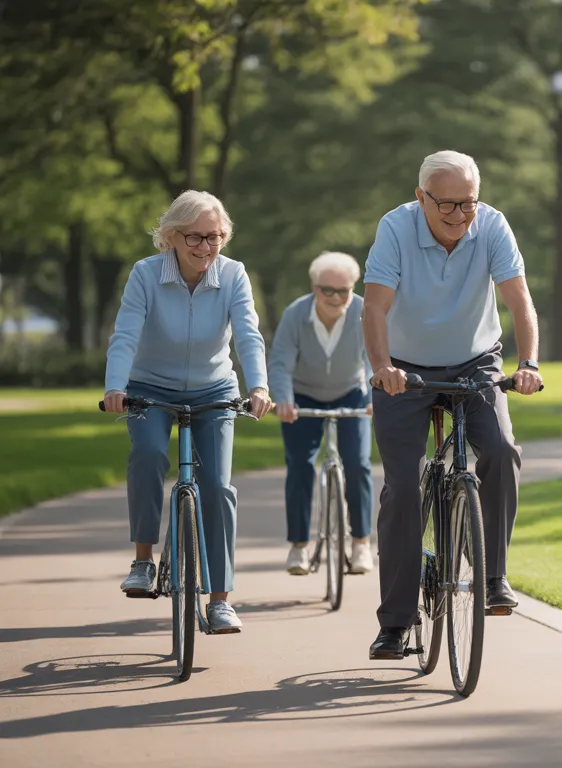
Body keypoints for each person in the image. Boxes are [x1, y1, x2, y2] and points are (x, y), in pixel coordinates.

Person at [362, 150, 544, 659]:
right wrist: (382, 366)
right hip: (403, 367)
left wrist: (528, 363)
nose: (461, 216)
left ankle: (492, 576)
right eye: (447, 205)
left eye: (469, 203)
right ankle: (395, 624)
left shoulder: (492, 226)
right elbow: (374, 305)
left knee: (503, 449)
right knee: (402, 488)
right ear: (420, 197)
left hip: (474, 360)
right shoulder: (395, 229)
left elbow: (519, 301)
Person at [103, 190, 273, 633]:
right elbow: (125, 333)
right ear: (172, 237)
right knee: (148, 455)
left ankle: (220, 601)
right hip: (149, 387)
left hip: (214, 388)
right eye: (194, 237)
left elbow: (248, 335)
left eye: (214, 237)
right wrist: (115, 387)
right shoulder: (145, 274)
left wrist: (258, 385)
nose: (205, 248)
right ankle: (143, 560)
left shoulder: (233, 274)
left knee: (217, 486)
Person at [268, 251, 375, 576]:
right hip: (304, 396)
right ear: (315, 288)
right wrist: (284, 400)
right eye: (328, 290)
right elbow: (281, 360)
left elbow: (375, 355)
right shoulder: (296, 314)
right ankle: (299, 546)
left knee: (357, 465)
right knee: (299, 465)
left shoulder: (363, 310)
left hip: (352, 394)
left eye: (344, 290)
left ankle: (360, 543)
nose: (337, 297)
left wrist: (374, 395)